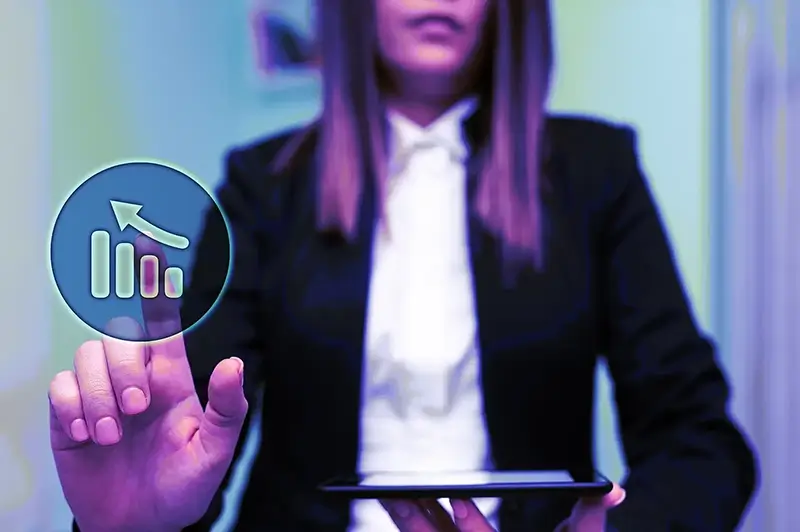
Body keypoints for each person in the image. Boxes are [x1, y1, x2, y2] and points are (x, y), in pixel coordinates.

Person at [48, 0, 757, 530]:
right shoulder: (262, 186)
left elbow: (700, 442)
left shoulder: (597, 172)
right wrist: (141, 527)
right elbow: (190, 437)